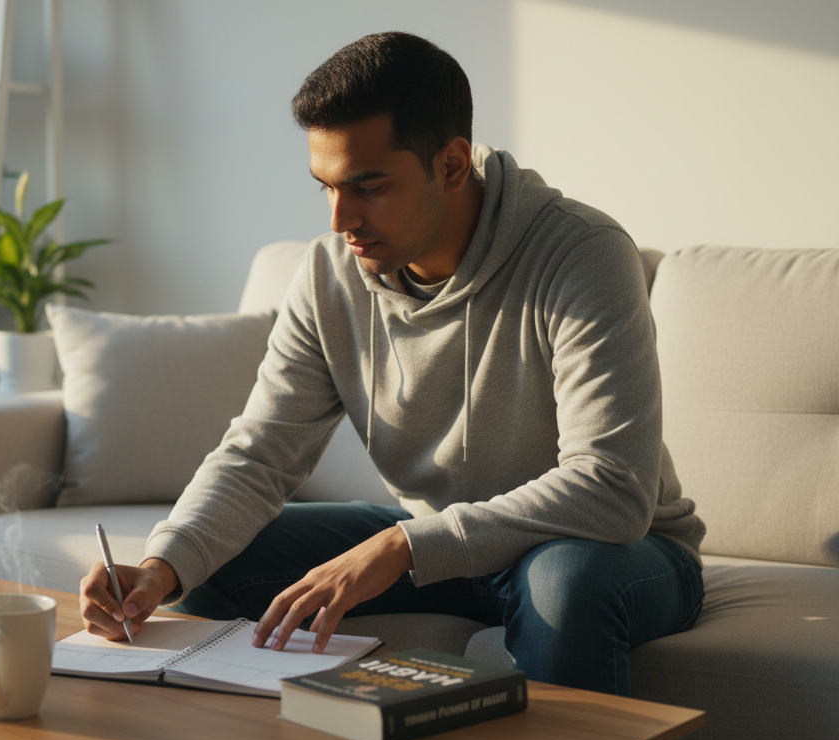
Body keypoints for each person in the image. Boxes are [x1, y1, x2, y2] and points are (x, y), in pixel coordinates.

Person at [78, 31, 707, 697]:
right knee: (208, 565)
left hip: (608, 553)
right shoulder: (329, 276)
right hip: (439, 542)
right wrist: (159, 565)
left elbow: (611, 487)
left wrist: (404, 548)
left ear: (454, 164)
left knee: (564, 584)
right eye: (325, 187)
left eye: (368, 185)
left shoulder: (581, 254)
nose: (342, 218)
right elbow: (259, 454)